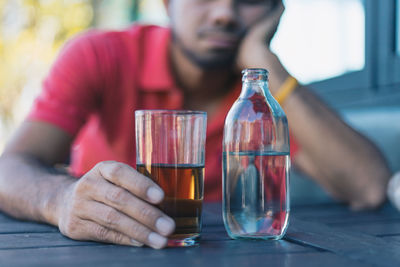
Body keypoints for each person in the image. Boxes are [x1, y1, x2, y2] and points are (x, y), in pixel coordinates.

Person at [0, 0, 392, 249]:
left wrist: (263, 62)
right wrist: (61, 199)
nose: (224, 13)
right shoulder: (100, 54)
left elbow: (369, 185)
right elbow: (9, 168)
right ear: (168, 4)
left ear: (275, 12)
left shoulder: (263, 106)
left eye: (251, 0)